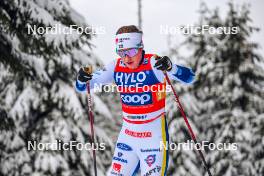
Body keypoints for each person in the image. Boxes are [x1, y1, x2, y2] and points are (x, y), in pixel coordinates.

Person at [75, 25, 195, 176]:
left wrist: (172, 68)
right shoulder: (116, 66)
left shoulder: (154, 63)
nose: (126, 58)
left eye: (131, 51)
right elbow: (85, 86)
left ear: (141, 47)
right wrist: (81, 79)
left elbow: (190, 77)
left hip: (153, 139)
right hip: (127, 137)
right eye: (121, 52)